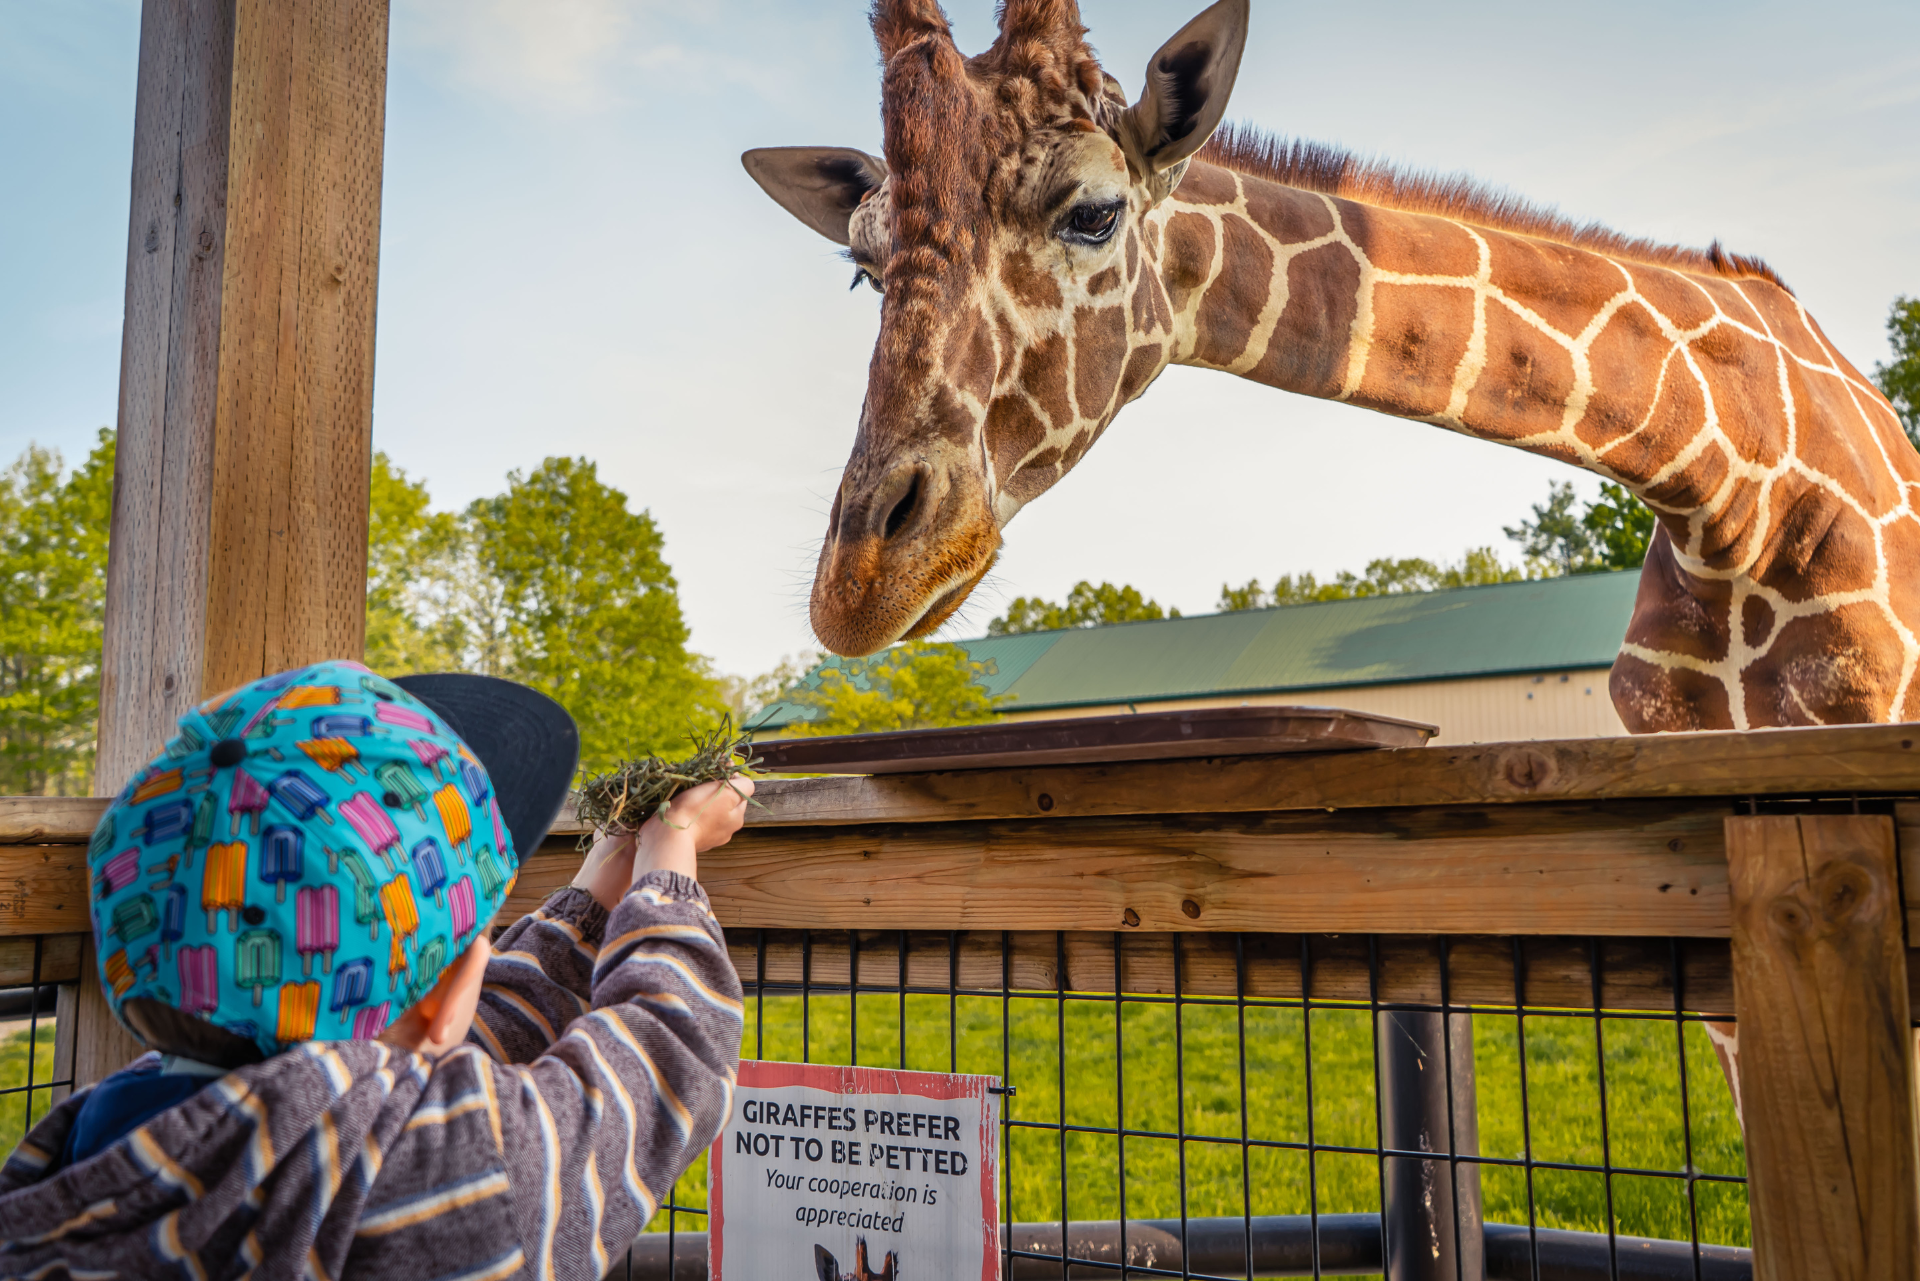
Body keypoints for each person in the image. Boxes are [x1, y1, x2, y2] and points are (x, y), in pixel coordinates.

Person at [0, 660, 750, 1278]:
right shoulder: (454, 1191)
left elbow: (414, 1058)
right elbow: (667, 1058)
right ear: (447, 999)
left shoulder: (80, 1152)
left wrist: (590, 901)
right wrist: (670, 859)